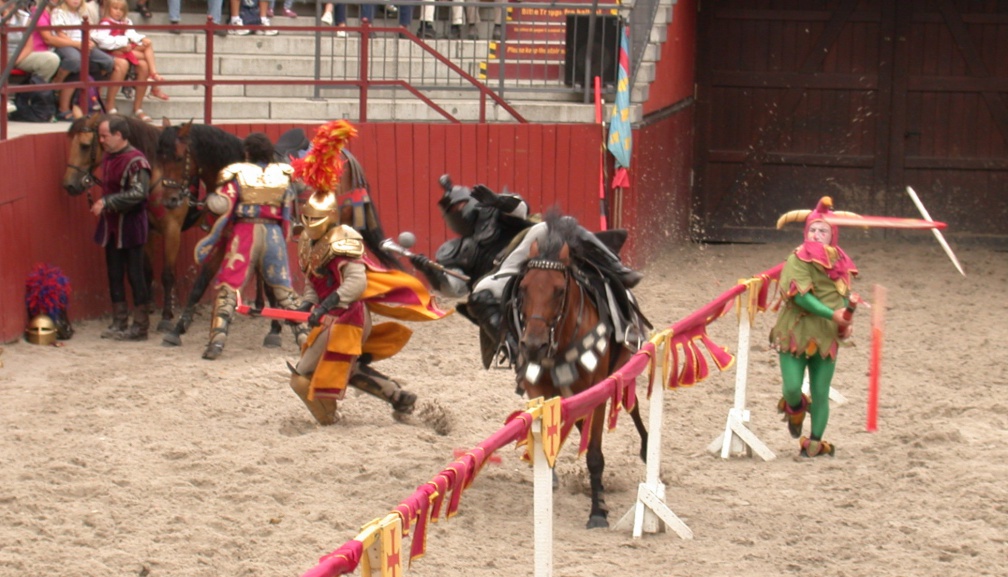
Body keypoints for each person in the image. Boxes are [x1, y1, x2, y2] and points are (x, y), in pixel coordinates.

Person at [287, 119, 449, 425]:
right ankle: (395, 395)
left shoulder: (342, 241)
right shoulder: (310, 243)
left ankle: (329, 420)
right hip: (336, 315)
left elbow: (355, 284)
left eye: (313, 217)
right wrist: (308, 303)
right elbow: (314, 280)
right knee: (343, 364)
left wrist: (324, 305)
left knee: (311, 371)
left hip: (347, 316)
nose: (308, 222)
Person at [408, 174, 643, 367]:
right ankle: (514, 349)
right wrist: (429, 271)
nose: (458, 211)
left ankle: (616, 270)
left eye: (461, 204)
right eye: (452, 209)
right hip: (505, 276)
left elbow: (520, 209)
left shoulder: (494, 211)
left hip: (532, 249)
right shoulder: (452, 250)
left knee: (562, 223)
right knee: (479, 294)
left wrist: (498, 201)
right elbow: (455, 288)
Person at [194, 132, 305, 360]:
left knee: (229, 287)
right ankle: (305, 339)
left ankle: (217, 341)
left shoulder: (237, 173)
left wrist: (209, 200)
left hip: (245, 233)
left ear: (247, 153)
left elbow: (222, 204)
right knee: (284, 291)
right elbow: (288, 209)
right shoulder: (283, 175)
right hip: (273, 234)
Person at [770, 196, 858, 458]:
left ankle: (816, 442)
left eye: (823, 230)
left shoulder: (842, 261)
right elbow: (800, 296)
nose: (817, 235)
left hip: (826, 335)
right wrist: (835, 314)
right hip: (796, 331)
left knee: (821, 391)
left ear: (833, 235)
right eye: (813, 230)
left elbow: (843, 297)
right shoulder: (797, 258)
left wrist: (846, 321)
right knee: (792, 388)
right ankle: (795, 408)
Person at [90, 114, 153, 341]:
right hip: (112, 225)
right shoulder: (109, 157)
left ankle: (140, 326)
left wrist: (107, 201)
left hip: (131, 225)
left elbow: (139, 193)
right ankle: (119, 321)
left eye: (105, 136)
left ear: (119, 135)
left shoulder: (137, 161)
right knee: (114, 273)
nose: (102, 140)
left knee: (135, 275)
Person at [44, 0, 127, 119]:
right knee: (76, 60)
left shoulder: (82, 12)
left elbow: (88, 31)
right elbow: (60, 34)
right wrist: (78, 44)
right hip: (66, 44)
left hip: (83, 44)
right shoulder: (59, 11)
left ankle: (92, 93)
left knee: (108, 62)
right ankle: (58, 83)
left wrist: (88, 42)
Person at [93, 0, 168, 122]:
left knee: (144, 61)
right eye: (115, 8)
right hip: (112, 50)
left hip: (125, 47)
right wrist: (123, 43)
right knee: (143, 57)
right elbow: (102, 41)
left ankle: (138, 108)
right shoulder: (106, 23)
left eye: (121, 9)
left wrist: (141, 39)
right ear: (108, 9)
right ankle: (110, 104)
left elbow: (132, 34)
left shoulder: (125, 21)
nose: (118, 12)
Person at [4, 4, 61, 83]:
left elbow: (28, 47)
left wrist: (12, 61)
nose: (10, 4)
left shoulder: (24, 18)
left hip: (18, 55)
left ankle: (32, 91)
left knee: (51, 59)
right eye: (5, 1)